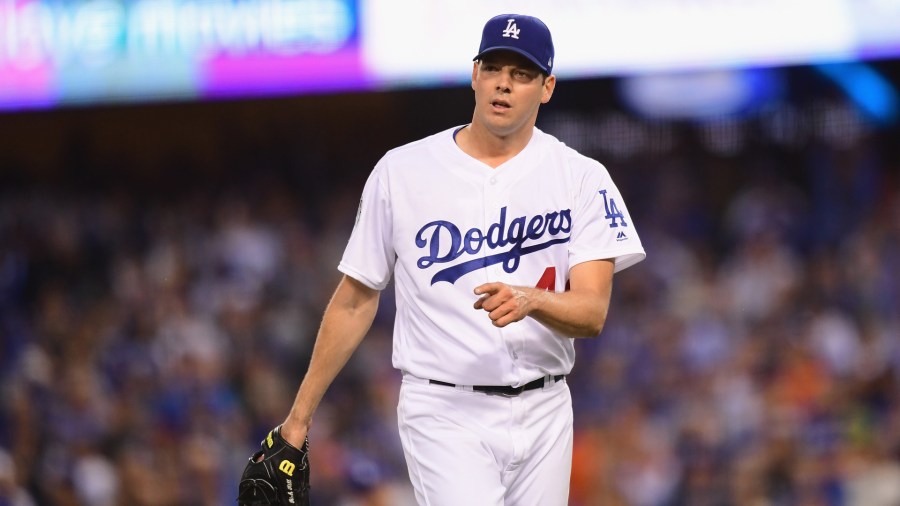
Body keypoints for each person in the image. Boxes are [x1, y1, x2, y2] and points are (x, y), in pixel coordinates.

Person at [277, 13, 646, 505]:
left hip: (546, 407)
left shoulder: (581, 178)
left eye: (521, 74)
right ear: (474, 74)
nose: (503, 84)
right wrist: (297, 421)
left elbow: (593, 312)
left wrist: (532, 299)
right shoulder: (402, 171)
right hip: (444, 407)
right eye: (493, 68)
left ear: (547, 87)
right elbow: (354, 300)